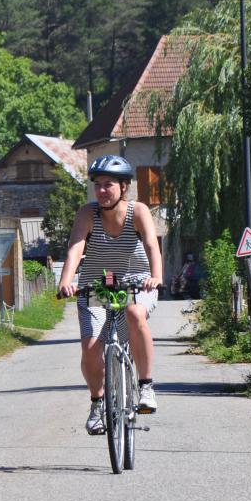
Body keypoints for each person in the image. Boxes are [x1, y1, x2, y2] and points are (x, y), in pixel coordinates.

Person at [57, 154, 163, 435]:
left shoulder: (138, 211)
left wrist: (156, 276)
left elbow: (152, 244)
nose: (102, 191)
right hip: (99, 285)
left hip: (137, 282)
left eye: (109, 185)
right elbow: (76, 249)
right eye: (98, 185)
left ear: (124, 187)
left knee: (134, 312)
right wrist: (66, 280)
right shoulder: (87, 214)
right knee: (91, 347)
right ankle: (97, 404)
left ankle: (146, 387)